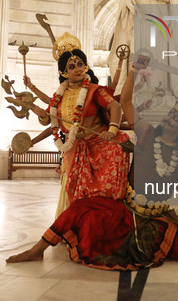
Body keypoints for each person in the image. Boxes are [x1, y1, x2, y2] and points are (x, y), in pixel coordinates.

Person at [6, 56, 178, 270]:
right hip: (127, 209)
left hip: (158, 217)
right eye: (171, 113)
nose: (168, 118)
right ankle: (37, 250)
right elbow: (125, 101)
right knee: (80, 208)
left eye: (175, 119)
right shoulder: (148, 133)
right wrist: (133, 70)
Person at [24, 32, 130, 217]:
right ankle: (74, 226)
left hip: (99, 143)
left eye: (81, 64)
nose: (78, 69)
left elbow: (114, 106)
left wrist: (112, 130)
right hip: (73, 149)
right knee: (73, 191)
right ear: (64, 73)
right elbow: (50, 122)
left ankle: (105, 218)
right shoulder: (59, 96)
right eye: (72, 66)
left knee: (117, 148)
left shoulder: (93, 90)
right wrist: (41, 116)